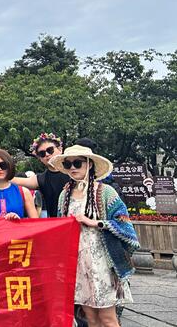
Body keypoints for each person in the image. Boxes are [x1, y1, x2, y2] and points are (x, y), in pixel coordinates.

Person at [51, 140, 139, 327]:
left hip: (102, 264)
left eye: (77, 163)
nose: (72, 168)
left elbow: (124, 223)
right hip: (78, 264)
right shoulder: (64, 195)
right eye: (67, 164)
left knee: (108, 319)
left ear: (89, 164)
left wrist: (96, 222)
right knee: (90, 318)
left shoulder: (106, 192)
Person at [12, 133, 71, 217]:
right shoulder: (41, 179)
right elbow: (14, 180)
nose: (47, 154)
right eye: (42, 153)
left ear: (60, 149)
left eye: (50, 150)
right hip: (56, 223)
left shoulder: (74, 171)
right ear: (39, 158)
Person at [0, 149, 38, 219]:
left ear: (9, 166)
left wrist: (18, 220)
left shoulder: (24, 192)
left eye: (3, 165)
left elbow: (35, 222)